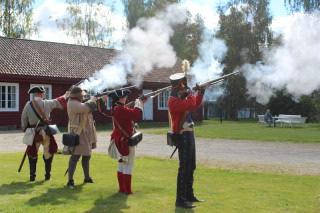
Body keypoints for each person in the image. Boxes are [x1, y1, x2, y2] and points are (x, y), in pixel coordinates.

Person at [168, 72, 205, 209]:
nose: (184, 87)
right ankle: (180, 199)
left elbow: (195, 105)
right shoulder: (173, 101)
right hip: (182, 135)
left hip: (189, 133)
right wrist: (190, 93)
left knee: (191, 165)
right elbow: (189, 103)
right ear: (177, 87)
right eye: (182, 85)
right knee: (184, 168)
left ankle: (189, 195)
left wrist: (201, 92)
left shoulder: (181, 98)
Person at [21, 86, 68, 181]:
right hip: (46, 131)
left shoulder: (28, 104)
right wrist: (66, 94)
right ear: (41, 94)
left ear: (34, 94)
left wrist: (25, 129)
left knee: (32, 154)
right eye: (42, 93)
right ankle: (47, 176)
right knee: (48, 153)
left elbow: (24, 119)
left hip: (33, 132)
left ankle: (32, 176)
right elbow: (59, 101)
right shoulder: (47, 103)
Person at [66, 86, 107, 188]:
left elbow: (93, 106)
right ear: (78, 96)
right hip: (78, 133)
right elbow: (86, 107)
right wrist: (93, 99)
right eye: (81, 96)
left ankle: (87, 177)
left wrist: (101, 99)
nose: (83, 97)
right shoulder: (72, 103)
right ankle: (70, 181)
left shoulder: (79, 102)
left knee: (87, 155)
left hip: (86, 132)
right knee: (75, 157)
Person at [109, 89, 145, 195]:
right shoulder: (120, 109)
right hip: (125, 140)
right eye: (124, 96)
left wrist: (141, 101)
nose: (126, 98)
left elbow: (128, 113)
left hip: (119, 139)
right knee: (128, 165)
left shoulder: (117, 108)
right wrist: (139, 104)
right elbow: (136, 115)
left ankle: (122, 189)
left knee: (121, 165)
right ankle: (127, 190)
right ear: (120, 98)